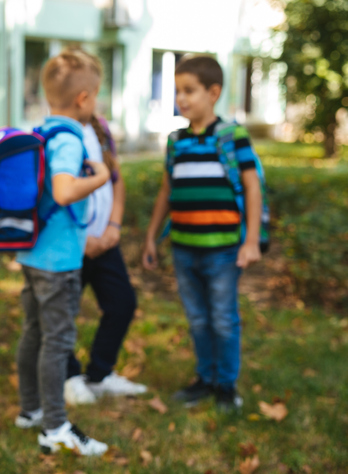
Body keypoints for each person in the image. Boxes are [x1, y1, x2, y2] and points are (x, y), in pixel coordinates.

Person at [142, 56, 263, 413]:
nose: (181, 98)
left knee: (223, 319)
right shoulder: (176, 140)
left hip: (223, 249)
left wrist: (252, 240)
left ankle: (225, 384)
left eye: (189, 91)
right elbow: (167, 191)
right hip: (183, 247)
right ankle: (204, 378)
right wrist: (152, 236)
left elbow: (252, 188)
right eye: (178, 90)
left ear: (213, 93)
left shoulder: (231, 136)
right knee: (197, 318)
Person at [14, 50, 111, 456]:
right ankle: (55, 426)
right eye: (98, 97)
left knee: (34, 333)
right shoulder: (70, 138)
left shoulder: (43, 131)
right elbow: (63, 190)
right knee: (57, 341)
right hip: (58, 261)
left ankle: (30, 410)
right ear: (84, 99)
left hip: (33, 253)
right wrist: (102, 176)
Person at [63, 112, 148, 406]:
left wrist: (114, 226)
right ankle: (69, 378)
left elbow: (116, 179)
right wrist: (83, 239)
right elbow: (55, 191)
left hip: (106, 241)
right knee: (63, 314)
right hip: (74, 247)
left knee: (122, 303)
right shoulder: (60, 132)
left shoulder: (101, 129)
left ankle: (99, 373)